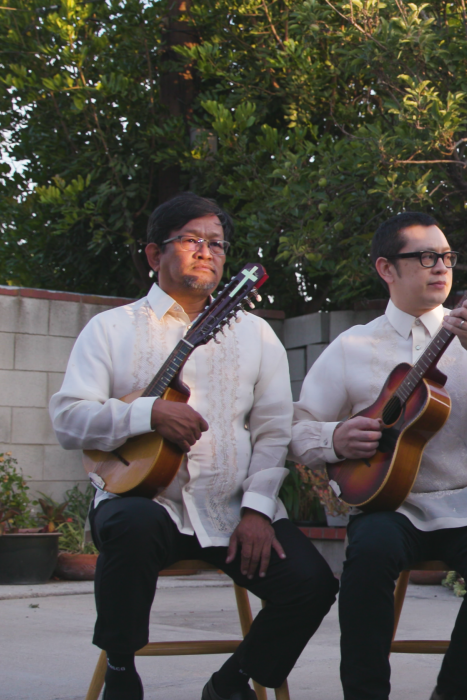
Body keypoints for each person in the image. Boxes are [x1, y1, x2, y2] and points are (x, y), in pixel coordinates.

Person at [50, 193, 338, 700]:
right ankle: (121, 667)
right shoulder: (111, 329)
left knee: (312, 582)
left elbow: (274, 430)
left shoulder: (256, 335)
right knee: (130, 526)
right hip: (145, 501)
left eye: (217, 244)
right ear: (152, 255)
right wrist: (148, 413)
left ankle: (231, 682)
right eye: (190, 240)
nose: (206, 252)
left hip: (230, 509)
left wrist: (257, 510)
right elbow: (69, 420)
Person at [289, 212, 467, 700]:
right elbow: (296, 429)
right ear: (386, 268)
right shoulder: (351, 346)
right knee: (367, 558)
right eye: (424, 257)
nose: (440, 267)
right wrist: (335, 439)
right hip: (392, 503)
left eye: (446, 257)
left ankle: (456, 691)